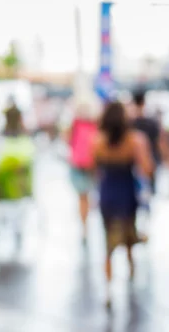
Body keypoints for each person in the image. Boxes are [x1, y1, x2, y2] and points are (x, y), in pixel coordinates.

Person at [93, 101, 153, 308]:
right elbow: (147, 168)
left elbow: (93, 169)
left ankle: (108, 290)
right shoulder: (134, 141)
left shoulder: (98, 142)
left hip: (107, 193)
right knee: (129, 236)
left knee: (107, 243)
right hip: (127, 194)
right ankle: (131, 274)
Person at [67, 97, 99, 244]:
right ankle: (85, 226)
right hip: (81, 165)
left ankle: (85, 225)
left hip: (88, 165)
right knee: (84, 198)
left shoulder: (92, 125)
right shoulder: (77, 125)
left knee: (85, 198)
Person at [132, 90, 162, 193]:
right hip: (151, 158)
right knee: (150, 191)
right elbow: (159, 141)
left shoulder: (129, 122)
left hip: (135, 162)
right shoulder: (151, 122)